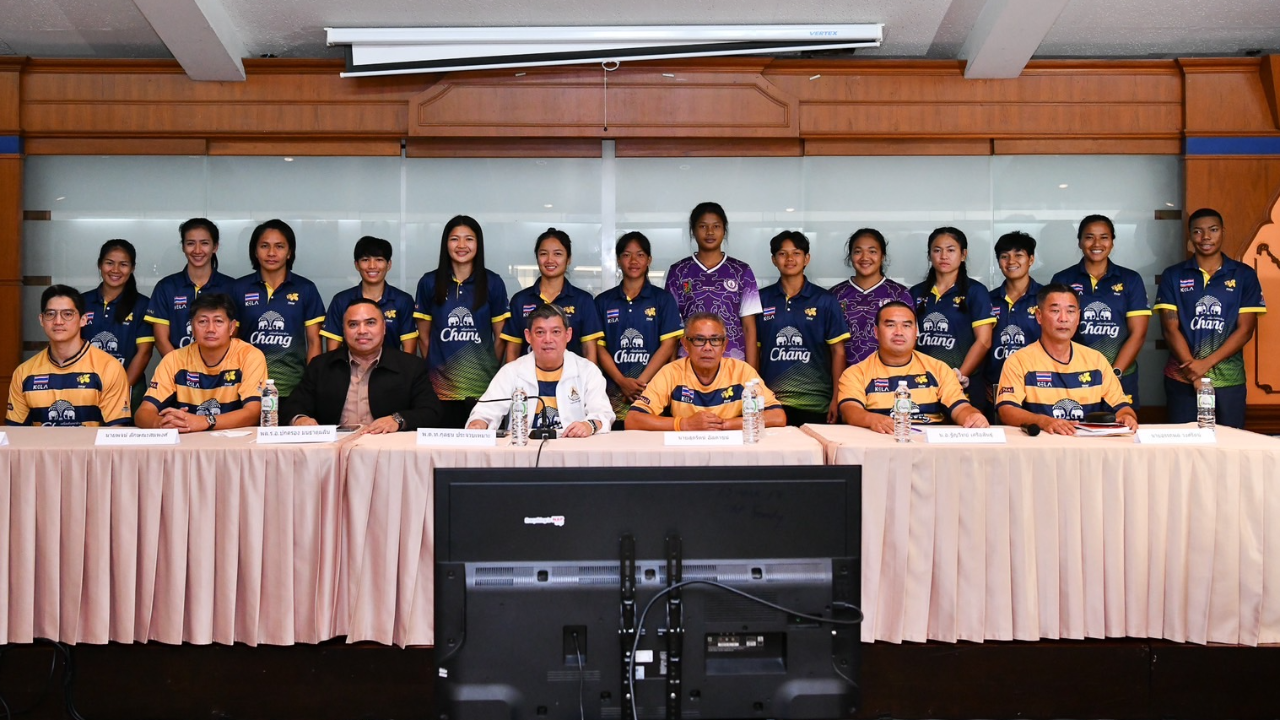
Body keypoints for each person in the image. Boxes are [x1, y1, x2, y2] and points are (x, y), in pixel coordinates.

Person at [1154, 208, 1267, 428]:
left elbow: (1245, 330)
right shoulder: (1173, 275)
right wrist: (1194, 374)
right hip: (1181, 378)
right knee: (1183, 445)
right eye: (1198, 231)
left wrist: (1204, 365)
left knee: (1229, 443)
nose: (1205, 237)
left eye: (1213, 230)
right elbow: (1169, 329)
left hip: (1228, 380)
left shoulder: (1244, 275)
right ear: (1190, 235)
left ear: (1223, 231)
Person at [997, 283, 1138, 435]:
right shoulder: (1018, 361)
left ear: (1078, 317)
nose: (1063, 319)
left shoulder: (1096, 360)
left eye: (1070, 311)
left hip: (1087, 445)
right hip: (1042, 444)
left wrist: (1127, 417)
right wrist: (1043, 421)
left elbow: (1122, 407)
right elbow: (1007, 410)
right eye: (1055, 311)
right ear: (1039, 316)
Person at [284, 299, 444, 432]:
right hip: (334, 451)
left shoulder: (410, 366)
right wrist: (300, 419)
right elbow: (293, 406)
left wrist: (397, 420)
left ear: (384, 328)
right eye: (353, 325)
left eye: (370, 323)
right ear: (344, 330)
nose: (362, 331)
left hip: (387, 449)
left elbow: (431, 412)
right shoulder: (321, 366)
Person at [415, 215, 511, 428]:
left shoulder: (493, 282)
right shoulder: (429, 282)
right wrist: (438, 367)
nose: (461, 245)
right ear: (445, 244)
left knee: (481, 447)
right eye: (454, 239)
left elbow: (500, 337)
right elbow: (424, 336)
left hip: (483, 389)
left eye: (469, 239)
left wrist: (488, 367)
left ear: (478, 244)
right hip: (439, 389)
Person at [838, 301, 988, 432]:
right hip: (880, 441)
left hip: (929, 445)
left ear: (916, 332)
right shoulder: (856, 373)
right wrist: (872, 420)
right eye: (890, 325)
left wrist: (973, 417)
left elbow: (960, 408)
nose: (899, 332)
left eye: (906, 325)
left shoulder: (939, 369)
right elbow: (850, 411)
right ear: (876, 332)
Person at [1050, 215, 1151, 406]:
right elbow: (1055, 331)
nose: (1097, 243)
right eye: (1089, 237)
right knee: (1073, 424)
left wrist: (1114, 374)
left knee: (1121, 424)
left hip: (1120, 375)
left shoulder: (1130, 279)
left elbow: (1138, 333)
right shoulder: (1063, 279)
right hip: (1074, 375)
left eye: (1104, 237)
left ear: (1112, 242)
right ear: (1080, 242)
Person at [469, 304, 613, 436]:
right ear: (528, 336)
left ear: (568, 335)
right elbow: (484, 412)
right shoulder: (511, 372)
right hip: (524, 450)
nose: (548, 339)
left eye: (556, 332)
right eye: (540, 332)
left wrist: (588, 425)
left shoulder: (587, 371)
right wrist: (479, 424)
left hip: (572, 448)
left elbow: (603, 414)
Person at [625, 312, 785, 431]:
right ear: (685, 344)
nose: (707, 347)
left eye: (715, 340)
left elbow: (777, 416)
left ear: (724, 345)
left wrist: (724, 424)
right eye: (699, 340)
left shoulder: (742, 371)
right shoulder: (671, 372)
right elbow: (633, 419)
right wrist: (684, 424)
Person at [135, 293, 267, 433]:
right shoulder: (174, 359)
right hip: (187, 440)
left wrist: (205, 421)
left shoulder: (250, 356)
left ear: (231, 327)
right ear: (192, 327)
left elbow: (254, 412)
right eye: (203, 321)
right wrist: (162, 424)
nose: (210, 329)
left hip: (236, 442)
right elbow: (143, 413)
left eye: (218, 321)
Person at [756, 231, 850, 425]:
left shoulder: (825, 300)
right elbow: (754, 351)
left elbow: (838, 352)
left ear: (807, 258)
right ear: (774, 260)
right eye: (782, 254)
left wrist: (837, 398)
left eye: (796, 253)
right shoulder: (761, 299)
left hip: (816, 404)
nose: (790, 258)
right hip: (772, 404)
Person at [7, 285, 130, 427]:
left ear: (83, 320)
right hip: (42, 443)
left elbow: (115, 432)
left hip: (91, 443)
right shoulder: (23, 373)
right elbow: (15, 434)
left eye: (68, 314)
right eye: (50, 314)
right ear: (41, 320)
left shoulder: (109, 368)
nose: (58, 321)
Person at [595, 231, 683, 428]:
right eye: (626, 255)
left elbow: (668, 345)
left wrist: (640, 383)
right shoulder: (603, 301)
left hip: (653, 394)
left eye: (640, 255)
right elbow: (599, 347)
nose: (633, 261)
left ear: (649, 260)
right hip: (613, 396)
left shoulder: (663, 299)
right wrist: (622, 381)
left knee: (651, 440)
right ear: (618, 260)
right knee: (614, 442)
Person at [232, 219, 325, 399]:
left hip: (293, 389)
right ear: (255, 251)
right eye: (264, 246)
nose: (271, 253)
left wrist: (310, 385)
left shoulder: (305, 289)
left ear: (289, 252)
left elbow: (314, 342)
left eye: (279, 246)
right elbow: (231, 341)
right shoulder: (239, 288)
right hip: (247, 388)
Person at [664, 202, 763, 366]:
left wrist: (751, 373)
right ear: (693, 231)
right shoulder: (678, 272)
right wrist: (673, 369)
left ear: (724, 230)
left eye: (716, 226)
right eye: (703, 226)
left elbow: (749, 328)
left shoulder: (741, 271)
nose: (710, 232)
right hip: (689, 364)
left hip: (733, 364)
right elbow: (672, 327)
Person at [909, 226, 996, 407]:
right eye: (937, 250)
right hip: (922, 384)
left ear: (963, 254)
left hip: (964, 384)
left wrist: (959, 376)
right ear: (929, 255)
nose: (943, 256)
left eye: (950, 250)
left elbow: (984, 341)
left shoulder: (975, 291)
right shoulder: (916, 292)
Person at [501, 228, 603, 364]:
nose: (550, 260)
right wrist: (512, 377)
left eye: (558, 254)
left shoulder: (583, 300)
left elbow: (589, 351)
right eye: (543, 254)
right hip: (529, 376)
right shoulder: (520, 300)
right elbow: (513, 351)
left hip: (571, 376)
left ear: (568, 259)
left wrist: (589, 378)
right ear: (537, 258)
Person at [81, 239, 154, 413]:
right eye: (109, 263)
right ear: (100, 265)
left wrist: (121, 390)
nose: (115, 270)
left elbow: (144, 352)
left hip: (129, 386)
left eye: (123, 264)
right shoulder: (82, 302)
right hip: (85, 385)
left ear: (132, 268)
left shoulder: (143, 305)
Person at [145, 218, 236, 355]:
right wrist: (180, 366)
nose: (197, 250)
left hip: (220, 367)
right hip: (176, 366)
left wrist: (213, 366)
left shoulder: (231, 287)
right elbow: (161, 340)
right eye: (190, 243)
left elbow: (233, 336)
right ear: (183, 247)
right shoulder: (166, 287)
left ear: (215, 247)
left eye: (204, 243)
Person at [829, 228, 913, 367]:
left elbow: (910, 342)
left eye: (872, 251)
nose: (865, 257)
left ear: (882, 256)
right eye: (858, 251)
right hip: (846, 375)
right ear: (850, 256)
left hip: (890, 375)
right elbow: (830, 347)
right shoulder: (835, 295)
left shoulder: (899, 294)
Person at [321, 235, 418, 354]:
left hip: (393, 366)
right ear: (357, 265)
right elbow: (332, 353)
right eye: (365, 260)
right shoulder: (341, 301)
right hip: (350, 366)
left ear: (389, 265)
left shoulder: (403, 301)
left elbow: (409, 352)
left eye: (379, 260)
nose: (372, 266)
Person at [986, 231, 1043, 412]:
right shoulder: (987, 300)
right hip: (995, 387)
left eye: (1018, 255)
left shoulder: (1046, 298)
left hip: (1039, 387)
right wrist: (984, 382)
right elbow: (979, 343)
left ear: (1031, 259)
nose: (1011, 261)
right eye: (1004, 256)